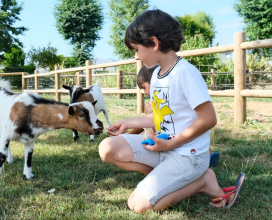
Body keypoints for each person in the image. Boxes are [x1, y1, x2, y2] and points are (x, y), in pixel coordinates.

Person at [98, 9, 244, 213]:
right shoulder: (156, 74)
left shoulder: (186, 73)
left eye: (137, 49)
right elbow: (161, 117)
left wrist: (170, 144)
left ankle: (202, 181)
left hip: (188, 156)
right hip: (164, 148)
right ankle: (165, 179)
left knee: (137, 206)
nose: (135, 56)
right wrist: (129, 123)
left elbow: (209, 119)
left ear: (154, 43)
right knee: (107, 148)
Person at [127, 65, 220, 167]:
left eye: (144, 87)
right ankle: (206, 156)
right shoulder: (164, 98)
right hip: (201, 132)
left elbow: (151, 122)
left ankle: (204, 158)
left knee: (145, 140)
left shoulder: (156, 103)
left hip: (197, 131)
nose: (144, 92)